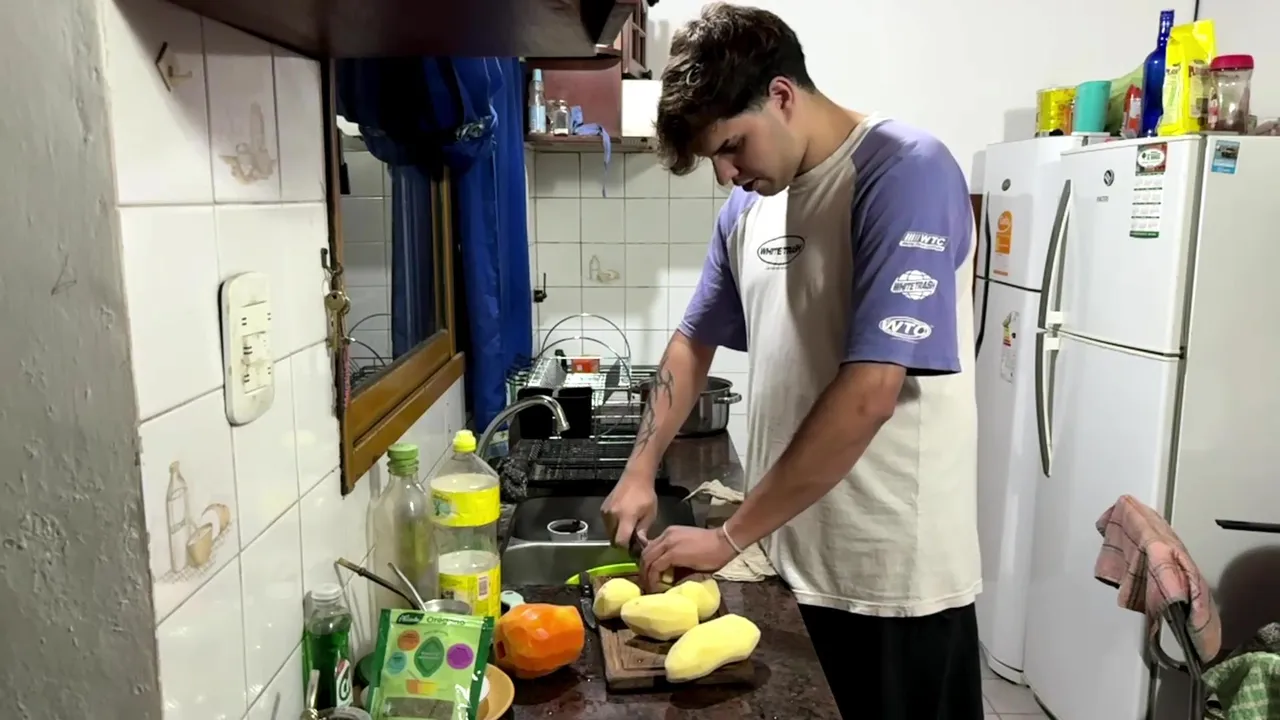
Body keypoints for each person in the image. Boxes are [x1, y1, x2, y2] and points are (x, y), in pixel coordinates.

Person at [600, 4, 983, 718]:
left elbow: (871, 390)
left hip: (890, 576)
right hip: (783, 551)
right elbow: (692, 342)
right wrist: (638, 469)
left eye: (732, 146)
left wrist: (727, 535)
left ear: (781, 95)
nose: (726, 174)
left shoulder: (904, 170)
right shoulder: (746, 210)